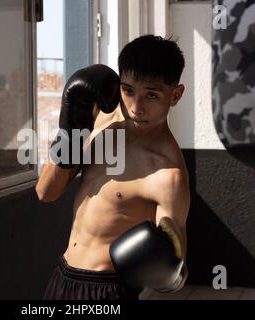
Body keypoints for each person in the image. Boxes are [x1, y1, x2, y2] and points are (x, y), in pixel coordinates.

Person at [37, 35, 190, 300]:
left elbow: (174, 274)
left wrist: (163, 266)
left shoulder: (167, 175)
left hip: (106, 292)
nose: (136, 108)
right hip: (62, 276)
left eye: (151, 95)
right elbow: (45, 193)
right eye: (128, 91)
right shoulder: (101, 123)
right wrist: (68, 133)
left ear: (175, 95)